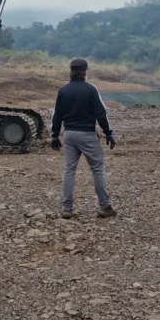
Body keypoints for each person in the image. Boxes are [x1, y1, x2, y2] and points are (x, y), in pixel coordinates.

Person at [50, 58, 117, 219]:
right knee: (97, 169)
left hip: (69, 134)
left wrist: (54, 135)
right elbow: (101, 113)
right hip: (87, 134)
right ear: (85, 72)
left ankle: (67, 208)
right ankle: (104, 206)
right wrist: (108, 132)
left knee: (69, 170)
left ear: (71, 71)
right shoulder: (91, 90)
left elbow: (57, 115)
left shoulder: (63, 90)